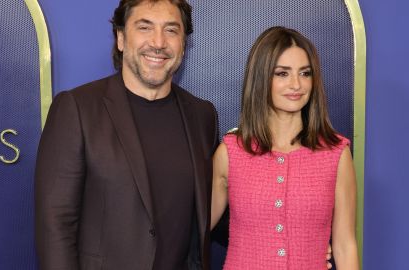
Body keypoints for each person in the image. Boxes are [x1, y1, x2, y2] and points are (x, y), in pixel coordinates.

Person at [34, 0, 218, 269]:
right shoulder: (77, 109)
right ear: (121, 38)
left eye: (171, 30)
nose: (158, 42)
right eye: (145, 27)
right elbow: (55, 223)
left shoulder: (202, 116)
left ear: (183, 43)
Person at [211, 26, 359, 269]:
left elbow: (345, 245)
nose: (296, 84)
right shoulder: (231, 152)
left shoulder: (336, 153)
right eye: (282, 73)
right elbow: (194, 231)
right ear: (261, 78)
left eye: (305, 73)